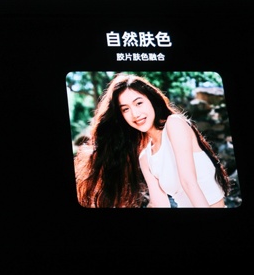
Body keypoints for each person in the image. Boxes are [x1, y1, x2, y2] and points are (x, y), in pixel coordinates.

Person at [74, 73, 230, 208]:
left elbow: (189, 182)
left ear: (152, 100)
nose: (135, 114)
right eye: (126, 109)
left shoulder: (174, 124)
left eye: (139, 103)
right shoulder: (145, 158)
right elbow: (160, 203)